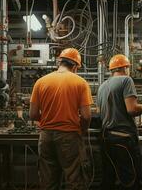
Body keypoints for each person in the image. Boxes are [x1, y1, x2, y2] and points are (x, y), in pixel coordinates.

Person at [29, 48, 93, 190]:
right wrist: (82, 129)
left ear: (60, 62)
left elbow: (32, 114)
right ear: (75, 66)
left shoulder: (40, 82)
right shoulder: (80, 83)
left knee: (48, 181)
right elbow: (87, 115)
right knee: (74, 180)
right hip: (69, 136)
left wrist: (47, 120)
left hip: (45, 137)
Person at [97, 54, 142, 190]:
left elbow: (100, 112)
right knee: (130, 179)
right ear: (125, 67)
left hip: (106, 138)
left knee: (108, 178)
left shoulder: (102, 86)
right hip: (123, 138)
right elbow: (132, 110)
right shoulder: (126, 80)